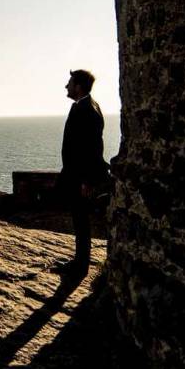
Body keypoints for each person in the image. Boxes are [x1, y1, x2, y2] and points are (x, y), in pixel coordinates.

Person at [58, 68, 110, 276]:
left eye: (70, 83)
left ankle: (80, 266)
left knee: (81, 220)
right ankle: (79, 262)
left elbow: (92, 148)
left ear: (78, 86)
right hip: (76, 175)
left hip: (81, 177)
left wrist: (87, 181)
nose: (66, 86)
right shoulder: (84, 106)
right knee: (79, 219)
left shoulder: (87, 109)